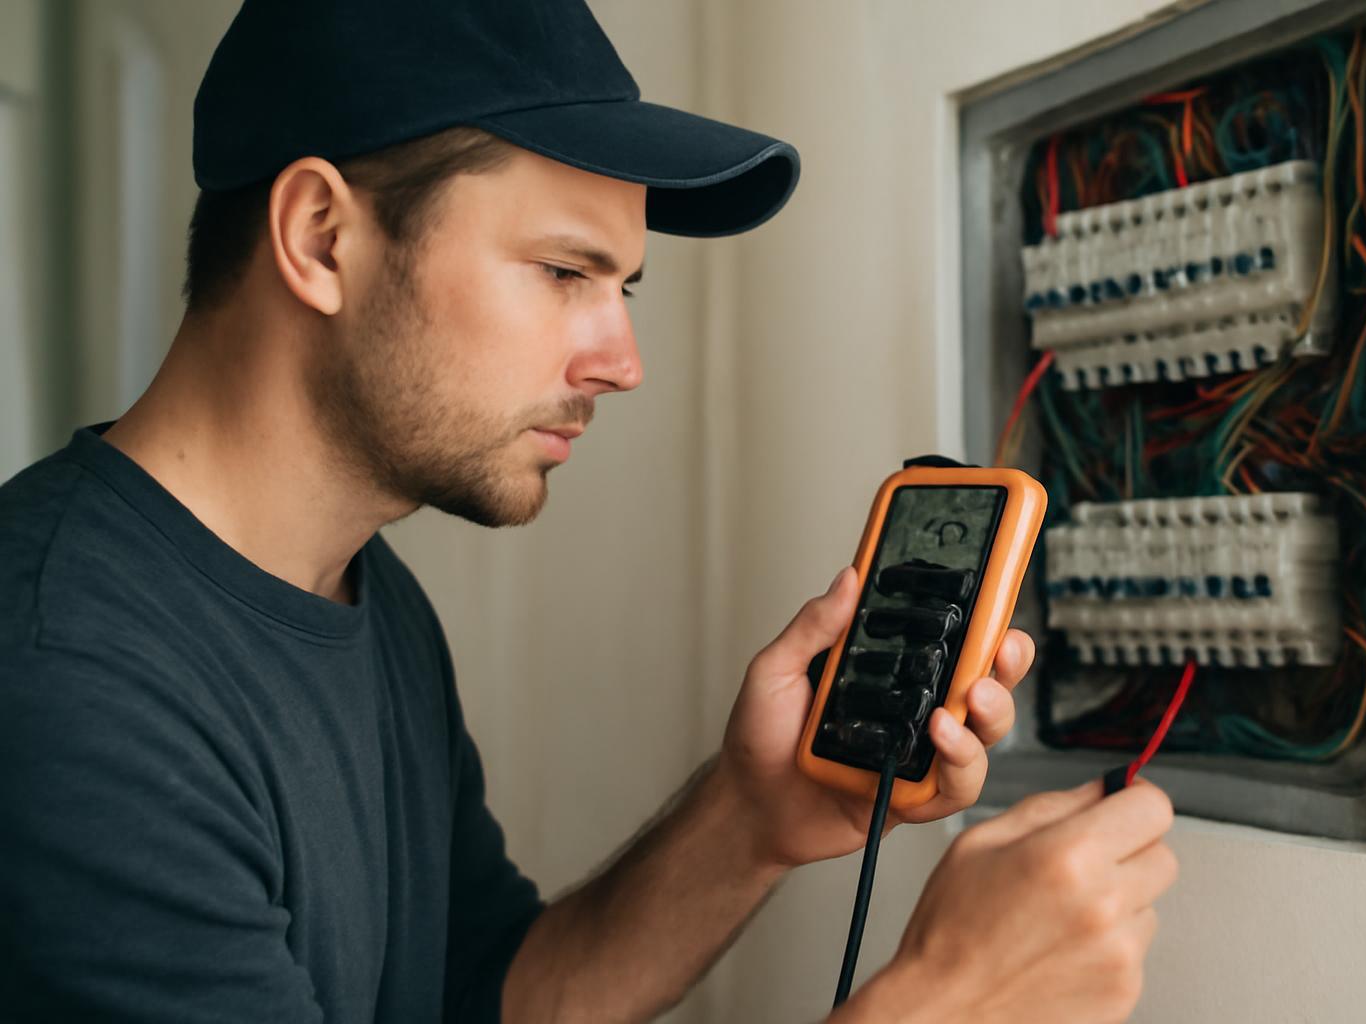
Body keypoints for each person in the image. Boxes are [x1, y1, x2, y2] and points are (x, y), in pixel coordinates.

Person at [0, 0, 1177, 1020]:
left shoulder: (368, 596)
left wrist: (751, 816)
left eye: (622, 287)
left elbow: (491, 998)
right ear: (321, 236)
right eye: (566, 272)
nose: (622, 361)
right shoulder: (66, 686)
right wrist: (946, 1003)